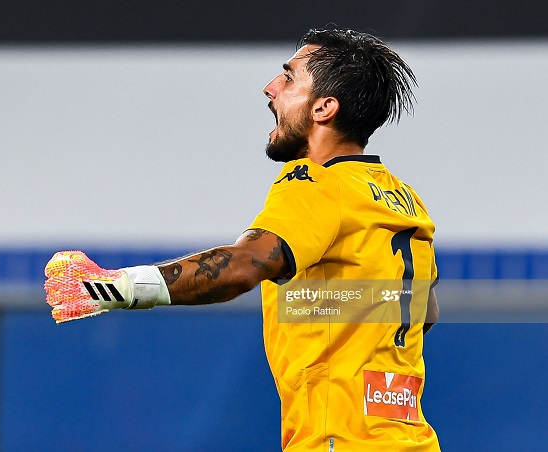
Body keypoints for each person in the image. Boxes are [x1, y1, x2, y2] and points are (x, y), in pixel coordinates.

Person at [45, 28, 441, 451]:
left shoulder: (315, 181)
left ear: (324, 107)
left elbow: (244, 265)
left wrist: (116, 288)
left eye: (288, 78)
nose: (270, 88)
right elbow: (423, 309)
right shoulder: (401, 197)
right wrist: (323, 309)